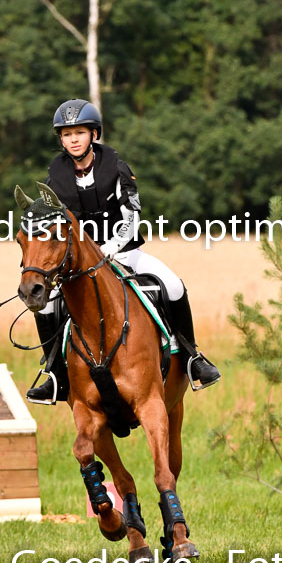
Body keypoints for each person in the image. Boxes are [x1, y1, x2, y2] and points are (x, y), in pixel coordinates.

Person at [26, 98, 221, 403]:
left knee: (172, 285)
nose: (73, 139)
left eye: (79, 132)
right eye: (66, 134)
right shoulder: (55, 176)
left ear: (94, 134)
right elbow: (51, 224)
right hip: (78, 263)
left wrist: (109, 249)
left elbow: (131, 217)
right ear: (61, 139)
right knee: (48, 305)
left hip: (124, 251)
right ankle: (54, 375)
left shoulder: (115, 167)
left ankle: (193, 357)